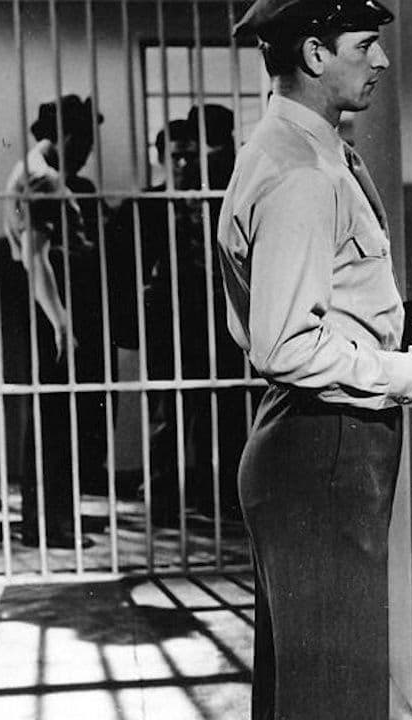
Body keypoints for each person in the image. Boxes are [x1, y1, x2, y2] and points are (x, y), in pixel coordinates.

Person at [219, 0, 412, 718]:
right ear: (315, 55)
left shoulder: (293, 152)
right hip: (327, 445)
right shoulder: (304, 173)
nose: (381, 60)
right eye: (365, 44)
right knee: (336, 700)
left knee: (311, 693)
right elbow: (286, 344)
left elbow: (310, 312)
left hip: (315, 440)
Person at [110, 107, 246, 525]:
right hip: (165, 323)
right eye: (176, 155)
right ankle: (164, 500)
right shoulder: (144, 206)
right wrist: (131, 324)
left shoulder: (219, 200)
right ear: (160, 157)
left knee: (216, 410)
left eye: (190, 154)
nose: (184, 163)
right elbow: (122, 271)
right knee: (166, 412)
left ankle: (213, 498)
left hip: (213, 321)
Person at [1, 94, 106, 548]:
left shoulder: (33, 169)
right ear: (65, 136)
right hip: (52, 303)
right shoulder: (41, 178)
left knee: (58, 414)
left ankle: (56, 515)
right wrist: (61, 323)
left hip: (51, 300)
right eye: (83, 145)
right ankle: (47, 523)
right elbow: (37, 257)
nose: (86, 155)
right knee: (55, 415)